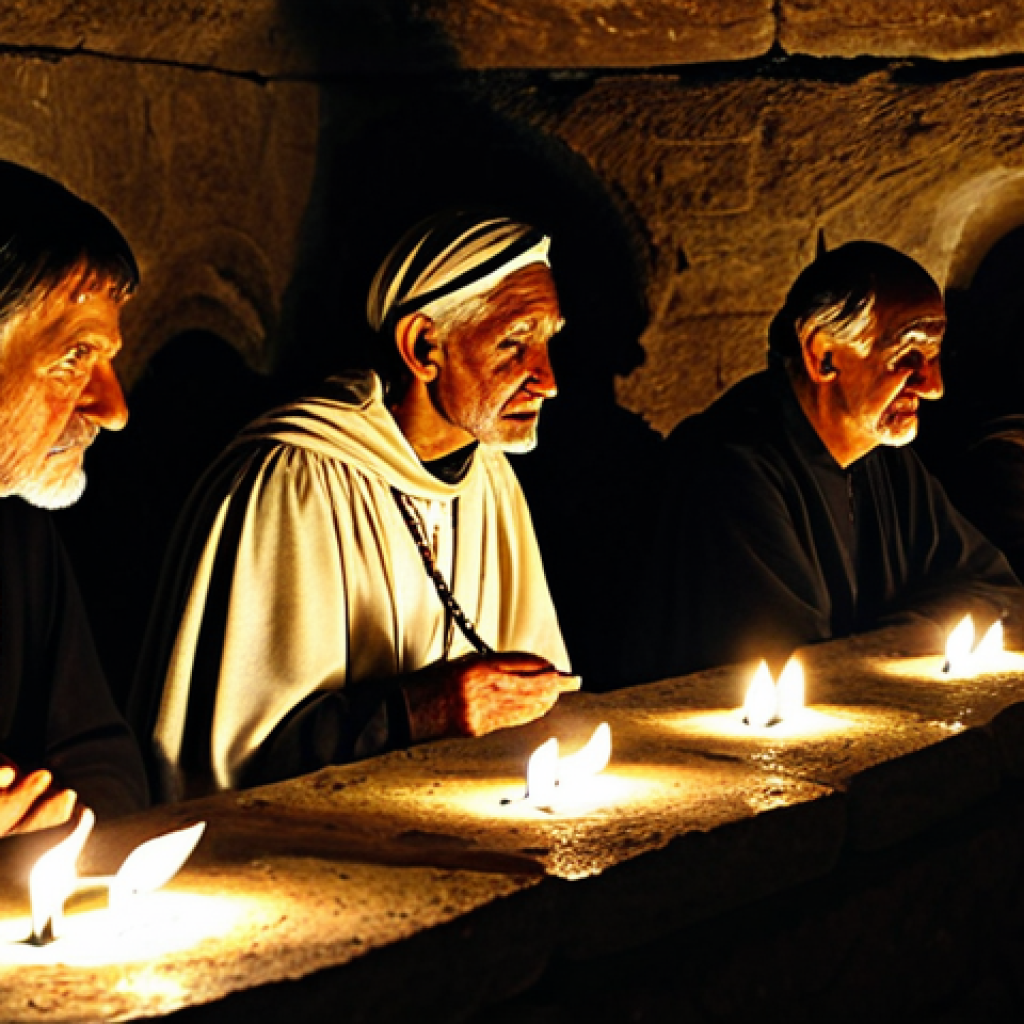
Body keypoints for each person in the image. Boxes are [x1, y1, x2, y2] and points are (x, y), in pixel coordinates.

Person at [132, 210, 575, 800]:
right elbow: (236, 758)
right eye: (515, 342)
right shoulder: (293, 480)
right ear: (423, 347)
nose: (546, 379)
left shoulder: (490, 477)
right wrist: (423, 710)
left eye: (548, 341)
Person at [637, 240, 1020, 680]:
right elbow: (798, 668)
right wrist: (918, 629)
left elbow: (994, 588)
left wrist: (904, 631)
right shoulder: (733, 467)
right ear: (822, 355)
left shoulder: (886, 461)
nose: (933, 387)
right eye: (906, 355)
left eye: (933, 358)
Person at [0, 161, 148, 834]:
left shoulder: (20, 538)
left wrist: (59, 825)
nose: (112, 409)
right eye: (75, 355)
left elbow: (102, 757)